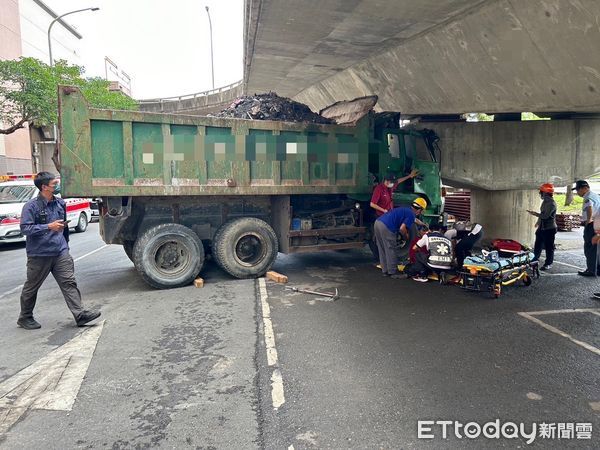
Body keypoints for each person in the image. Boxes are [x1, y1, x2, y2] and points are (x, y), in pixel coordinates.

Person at [17, 171, 101, 330]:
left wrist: (65, 245)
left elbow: (64, 227)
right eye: (54, 184)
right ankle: (25, 317)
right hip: (39, 255)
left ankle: (80, 314)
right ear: (44, 187)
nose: (57, 186)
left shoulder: (60, 203)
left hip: (60, 251)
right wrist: (48, 226)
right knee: (32, 287)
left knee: (69, 282)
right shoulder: (31, 206)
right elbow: (25, 229)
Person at [374, 197, 427, 278]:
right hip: (387, 226)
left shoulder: (406, 209)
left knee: (382, 248)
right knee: (391, 248)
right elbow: (402, 228)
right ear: (420, 210)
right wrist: (406, 236)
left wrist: (422, 224)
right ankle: (393, 272)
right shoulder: (411, 214)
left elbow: (414, 220)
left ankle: (385, 271)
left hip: (378, 223)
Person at [572, 180, 600, 277]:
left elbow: (589, 208)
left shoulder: (588, 197)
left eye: (577, 190)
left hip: (592, 225)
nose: (577, 192)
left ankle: (591, 270)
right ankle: (596, 269)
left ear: (584, 188)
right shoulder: (596, 196)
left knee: (589, 248)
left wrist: (588, 220)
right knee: (595, 248)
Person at [527, 183, 557, 271]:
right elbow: (542, 214)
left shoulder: (551, 203)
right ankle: (535, 260)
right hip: (542, 227)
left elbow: (545, 216)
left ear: (545, 193)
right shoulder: (545, 202)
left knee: (549, 247)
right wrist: (538, 223)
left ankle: (548, 263)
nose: (540, 194)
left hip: (549, 229)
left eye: (541, 192)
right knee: (538, 244)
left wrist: (534, 214)